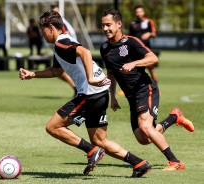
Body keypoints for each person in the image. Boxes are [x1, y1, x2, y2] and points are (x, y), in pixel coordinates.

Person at [20, 11, 151, 177]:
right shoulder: (61, 44)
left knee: (52, 127)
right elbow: (56, 70)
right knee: (100, 140)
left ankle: (92, 151)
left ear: (51, 27)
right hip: (99, 92)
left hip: (90, 94)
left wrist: (89, 78)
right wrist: (33, 74)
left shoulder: (62, 42)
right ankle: (139, 163)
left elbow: (85, 53)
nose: (42, 34)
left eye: (43, 30)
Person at [100, 9, 194, 171]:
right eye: (103, 25)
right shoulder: (104, 48)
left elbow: (153, 58)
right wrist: (113, 96)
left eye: (108, 25)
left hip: (145, 88)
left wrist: (134, 63)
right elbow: (110, 73)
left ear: (119, 24)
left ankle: (175, 162)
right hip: (131, 96)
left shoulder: (131, 42)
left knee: (145, 127)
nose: (105, 29)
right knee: (143, 138)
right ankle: (174, 117)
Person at [51, 4, 78, 96]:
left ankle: (77, 88)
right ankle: (76, 87)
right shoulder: (59, 22)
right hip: (63, 48)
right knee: (59, 71)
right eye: (53, 12)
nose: (55, 13)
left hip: (66, 48)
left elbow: (66, 33)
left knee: (59, 71)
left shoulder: (60, 22)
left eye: (56, 11)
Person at [129, 5, 158, 83]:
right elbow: (130, 37)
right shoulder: (132, 24)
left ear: (143, 12)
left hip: (146, 49)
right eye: (137, 12)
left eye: (140, 11)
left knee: (151, 69)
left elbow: (154, 34)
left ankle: (156, 88)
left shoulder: (148, 22)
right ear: (135, 13)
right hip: (135, 51)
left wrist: (149, 34)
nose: (139, 13)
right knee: (133, 70)